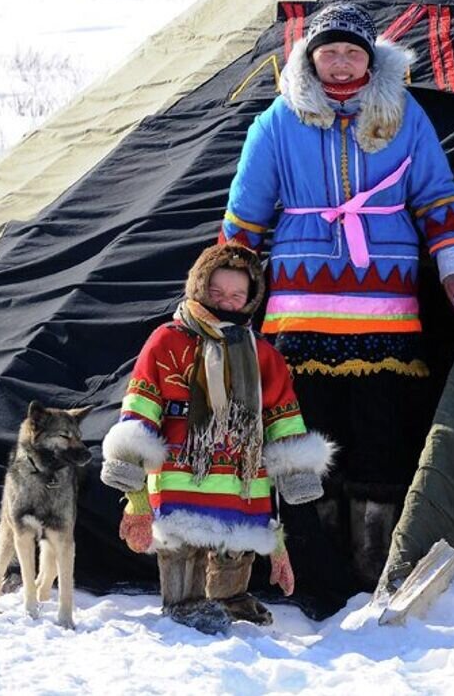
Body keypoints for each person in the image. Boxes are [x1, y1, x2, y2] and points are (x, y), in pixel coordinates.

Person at [219, 1, 454, 618]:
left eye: (352, 52)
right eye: (328, 52)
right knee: (307, 439)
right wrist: (223, 297)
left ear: (371, 58)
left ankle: (372, 566)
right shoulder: (277, 124)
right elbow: (245, 220)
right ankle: (312, 572)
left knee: (380, 436)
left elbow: (437, 199)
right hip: (300, 316)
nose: (340, 62)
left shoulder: (403, 115)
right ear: (310, 58)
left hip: (386, 312)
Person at [100, 242, 333, 633]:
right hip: (179, 471)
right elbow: (140, 406)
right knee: (183, 545)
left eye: (237, 294)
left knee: (235, 545)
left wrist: (295, 471)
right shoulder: (166, 341)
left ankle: (229, 597)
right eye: (217, 292)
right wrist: (133, 486)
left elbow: (282, 415)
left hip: (241, 475)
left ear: (251, 297)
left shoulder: (263, 355)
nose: (226, 301)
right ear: (199, 287)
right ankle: (184, 603)